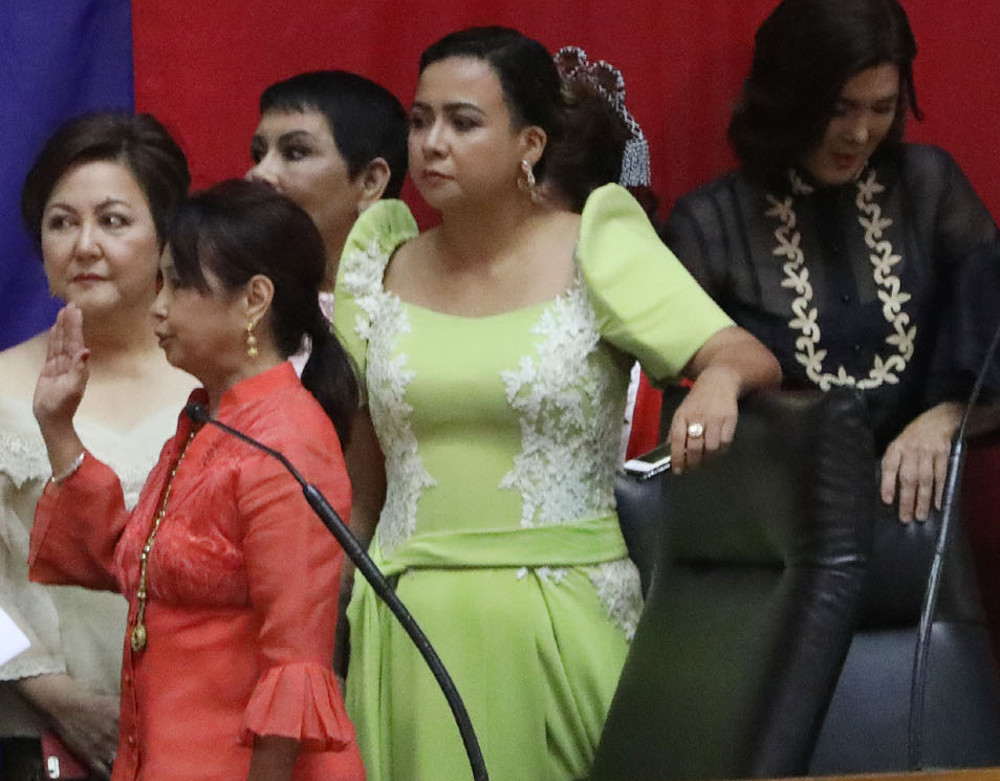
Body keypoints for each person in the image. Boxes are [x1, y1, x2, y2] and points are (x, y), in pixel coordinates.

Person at [333, 26, 781, 781]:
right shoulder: (383, 259)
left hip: (559, 616)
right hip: (408, 627)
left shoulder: (595, 243)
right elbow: (362, 496)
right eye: (420, 120)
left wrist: (714, 381)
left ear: (529, 142)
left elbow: (743, 352)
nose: (432, 143)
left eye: (463, 122)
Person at [29, 180, 364, 781]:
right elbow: (136, 560)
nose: (158, 307)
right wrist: (59, 429)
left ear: (254, 300)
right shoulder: (211, 418)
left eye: (179, 284)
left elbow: (296, 666)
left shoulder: (288, 439)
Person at [663, 0, 1000, 523]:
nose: (861, 133)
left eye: (882, 107)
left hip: (913, 522)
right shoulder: (712, 222)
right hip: (769, 535)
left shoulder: (930, 188)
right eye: (840, 109)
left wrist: (945, 420)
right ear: (787, 99)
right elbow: (664, 401)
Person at [0, 112, 196, 780]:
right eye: (62, 222)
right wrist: (53, 694)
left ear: (167, 234)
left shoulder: (222, 387)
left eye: (113, 220)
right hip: (33, 742)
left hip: (208, 726)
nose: (84, 245)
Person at [247, 69, 409, 294]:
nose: (259, 173)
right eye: (259, 154)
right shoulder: (227, 298)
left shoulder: (421, 304)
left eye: (295, 152)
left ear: (371, 181)